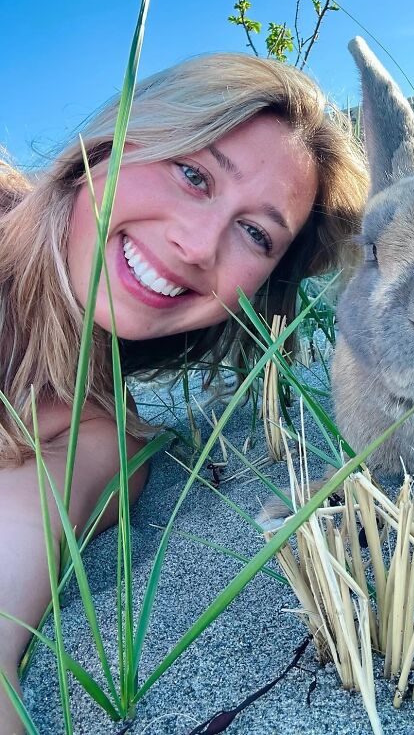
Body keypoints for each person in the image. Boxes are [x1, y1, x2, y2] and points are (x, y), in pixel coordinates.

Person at [0, 52, 368, 733]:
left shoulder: (107, 437)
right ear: (113, 143)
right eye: (192, 173)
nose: (200, 246)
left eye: (256, 233)